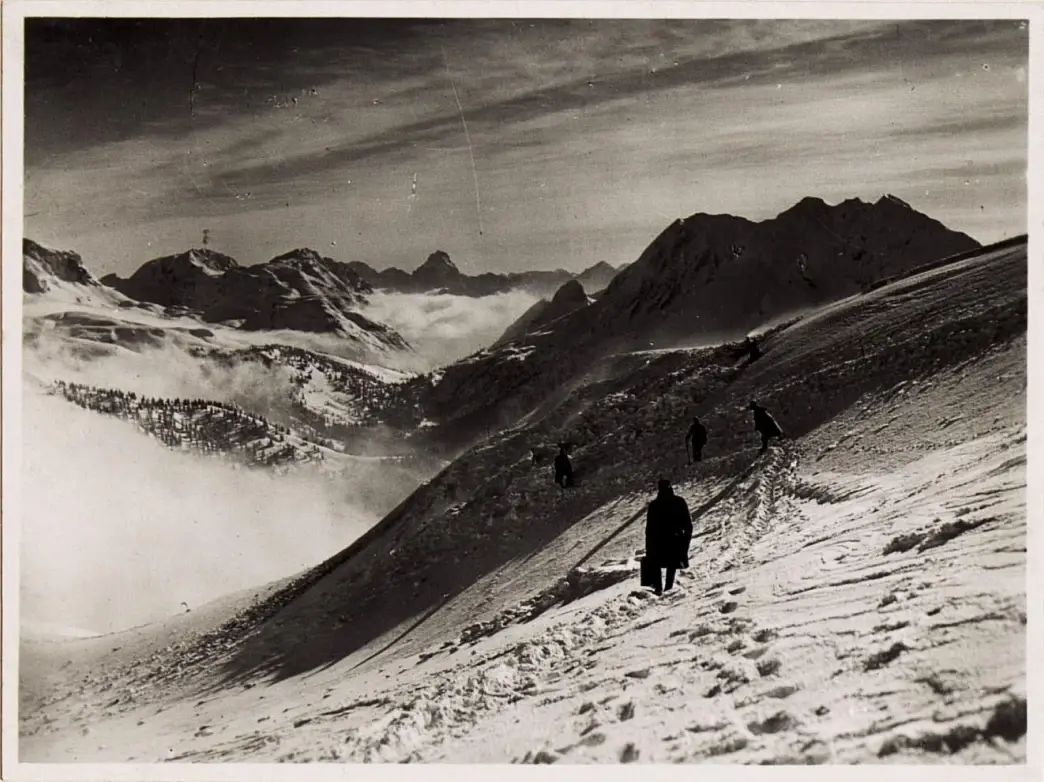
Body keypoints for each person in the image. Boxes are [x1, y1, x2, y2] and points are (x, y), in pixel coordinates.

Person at [644, 479, 693, 595]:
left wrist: (648, 547)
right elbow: (688, 525)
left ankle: (658, 589)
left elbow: (649, 529)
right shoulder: (679, 502)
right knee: (672, 565)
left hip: (658, 542)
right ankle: (668, 588)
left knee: (656, 564)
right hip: (675, 540)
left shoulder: (654, 505)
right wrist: (685, 542)